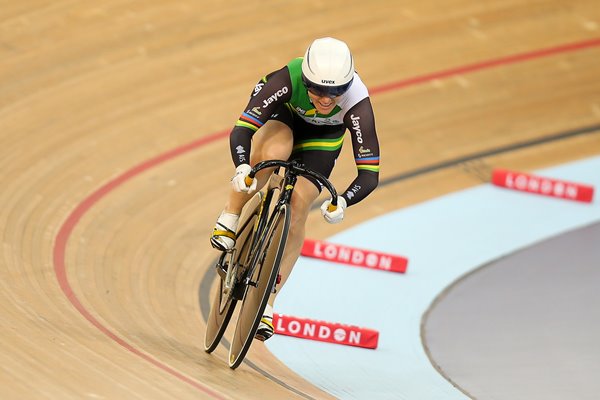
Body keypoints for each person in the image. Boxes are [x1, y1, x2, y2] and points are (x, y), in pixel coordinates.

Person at [210, 37, 380, 341]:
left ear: (349, 84)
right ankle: (232, 214)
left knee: (300, 206)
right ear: (306, 80)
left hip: (323, 139)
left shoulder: (358, 102)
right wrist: (241, 167)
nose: (327, 100)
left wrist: (343, 201)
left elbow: (368, 174)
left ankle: (268, 301)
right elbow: (242, 130)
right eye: (318, 90)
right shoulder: (287, 78)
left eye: (336, 92)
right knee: (271, 155)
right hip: (284, 117)